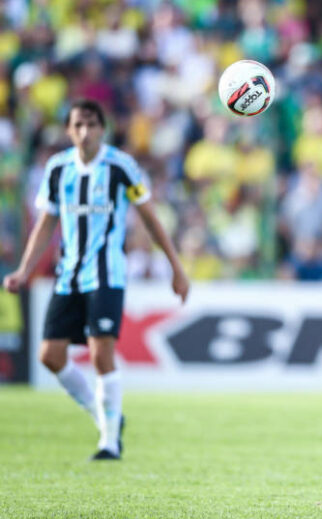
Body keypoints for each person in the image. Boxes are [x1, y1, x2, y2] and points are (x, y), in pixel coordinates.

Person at [3, 100, 189, 461]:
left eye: (92, 124)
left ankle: (108, 442)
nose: (85, 132)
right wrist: (24, 269)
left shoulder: (121, 167)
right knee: (50, 356)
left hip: (107, 274)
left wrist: (176, 268)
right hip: (68, 275)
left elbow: (149, 218)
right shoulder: (57, 170)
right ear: (69, 131)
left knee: (100, 353)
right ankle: (104, 416)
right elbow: (46, 224)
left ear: (103, 129)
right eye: (78, 125)